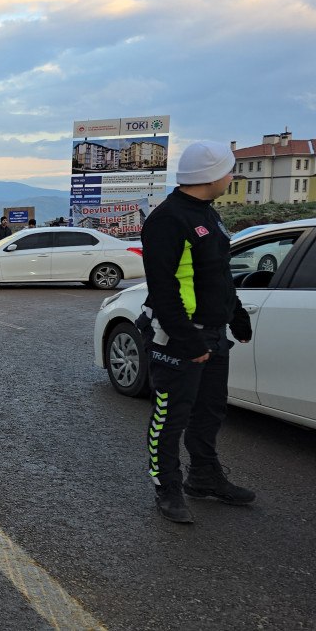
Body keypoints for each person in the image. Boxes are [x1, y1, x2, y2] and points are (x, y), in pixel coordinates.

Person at [140, 140, 254, 524]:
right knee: (170, 416)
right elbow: (163, 286)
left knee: (210, 411)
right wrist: (188, 340)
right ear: (211, 175)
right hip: (179, 336)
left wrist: (235, 315)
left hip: (213, 332)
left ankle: (204, 477)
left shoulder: (209, 215)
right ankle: (167, 488)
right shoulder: (168, 219)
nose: (232, 176)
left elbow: (218, 273)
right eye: (229, 170)